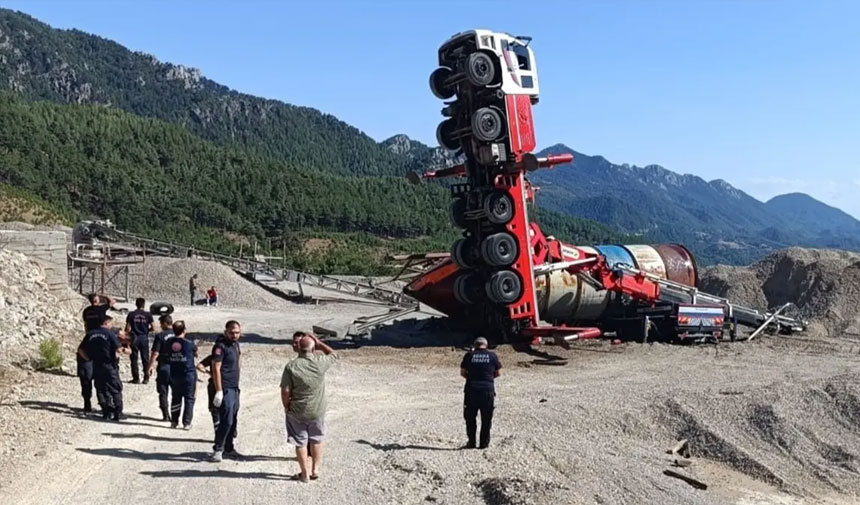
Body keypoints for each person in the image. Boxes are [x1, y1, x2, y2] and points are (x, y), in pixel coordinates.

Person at [280, 332, 339, 482]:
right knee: (317, 439)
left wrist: (286, 407)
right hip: (317, 410)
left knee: (300, 442)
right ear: (313, 349)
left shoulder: (291, 366)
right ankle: (315, 469)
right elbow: (334, 354)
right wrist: (319, 343)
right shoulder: (320, 362)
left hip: (297, 411)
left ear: (298, 347)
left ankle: (304, 474)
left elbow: (285, 391)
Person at [78, 314, 128, 421]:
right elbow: (119, 350)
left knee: (101, 389)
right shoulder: (110, 334)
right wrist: (125, 350)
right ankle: (118, 413)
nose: (111, 325)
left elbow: (81, 350)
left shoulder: (90, 334)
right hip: (109, 365)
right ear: (105, 323)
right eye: (110, 323)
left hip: (96, 365)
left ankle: (106, 412)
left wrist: (88, 359)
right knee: (115, 388)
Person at [460, 337, 501, 449]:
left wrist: (472, 378)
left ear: (475, 345)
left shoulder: (469, 355)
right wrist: (487, 379)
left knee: (470, 418)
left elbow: (462, 373)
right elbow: (497, 373)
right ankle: (484, 443)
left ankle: (471, 442)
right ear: (486, 345)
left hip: (471, 389)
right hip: (487, 390)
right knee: (486, 418)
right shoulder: (492, 356)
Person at [78, 293, 116, 413]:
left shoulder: (86, 311)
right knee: (104, 373)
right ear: (98, 300)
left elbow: (85, 325)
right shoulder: (101, 309)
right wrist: (103, 294)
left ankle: (87, 403)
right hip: (101, 339)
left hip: (89, 338)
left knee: (86, 377)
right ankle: (106, 402)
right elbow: (112, 301)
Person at [211, 320, 242, 462]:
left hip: (234, 387)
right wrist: (219, 390)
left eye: (237, 332)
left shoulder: (236, 345)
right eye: (231, 332)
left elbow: (238, 361)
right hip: (225, 388)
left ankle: (229, 448)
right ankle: (218, 449)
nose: (234, 335)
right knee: (226, 420)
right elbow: (216, 367)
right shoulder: (220, 346)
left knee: (233, 420)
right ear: (226, 332)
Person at [165, 320, 197, 429]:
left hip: (174, 373)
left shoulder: (168, 342)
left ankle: (174, 421)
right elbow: (195, 352)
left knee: (176, 397)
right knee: (189, 398)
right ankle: (187, 423)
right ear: (184, 330)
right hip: (188, 374)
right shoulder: (189, 343)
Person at [146, 314, 175, 421]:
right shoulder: (179, 334)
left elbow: (155, 353)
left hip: (164, 366)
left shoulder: (160, 336)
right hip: (177, 367)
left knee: (163, 391)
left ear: (165, 323)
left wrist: (149, 367)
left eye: (161, 324)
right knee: (176, 393)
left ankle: (166, 414)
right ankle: (175, 415)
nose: (160, 326)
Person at [125, 297, 154, 384]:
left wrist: (128, 336)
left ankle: (136, 378)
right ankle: (146, 378)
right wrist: (146, 331)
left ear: (136, 304)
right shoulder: (148, 315)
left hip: (134, 338)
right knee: (145, 358)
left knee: (134, 358)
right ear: (144, 305)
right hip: (144, 338)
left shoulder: (131, 314)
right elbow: (153, 327)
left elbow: (127, 328)